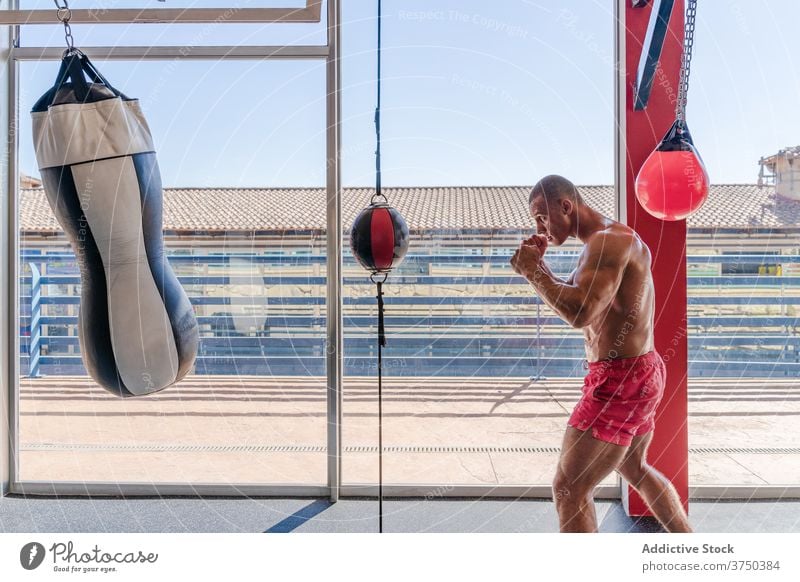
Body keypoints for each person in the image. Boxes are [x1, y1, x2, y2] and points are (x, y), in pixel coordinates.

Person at [510, 174, 692, 533]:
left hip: (620, 380)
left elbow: (580, 312)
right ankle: (694, 551)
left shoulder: (607, 243)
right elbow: (590, 300)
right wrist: (541, 268)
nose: (539, 226)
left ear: (566, 205)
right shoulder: (605, 241)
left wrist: (532, 272)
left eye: (542, 216)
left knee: (568, 488)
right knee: (634, 468)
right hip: (636, 372)